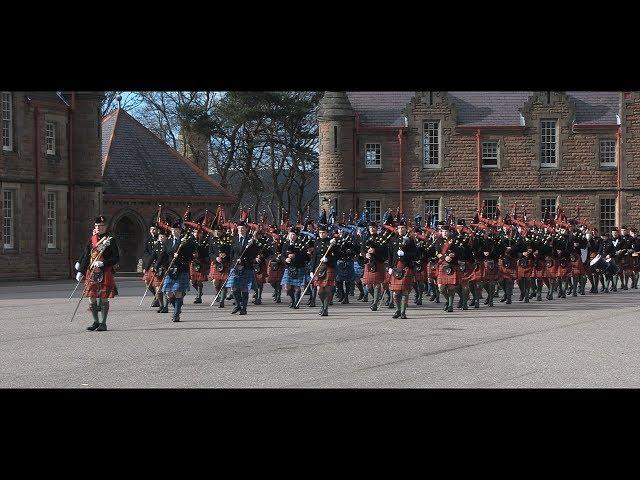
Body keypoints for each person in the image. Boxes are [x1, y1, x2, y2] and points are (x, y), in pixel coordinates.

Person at [75, 215, 120, 331]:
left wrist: (103, 264)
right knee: (91, 296)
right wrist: (80, 271)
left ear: (105, 227)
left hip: (104, 271)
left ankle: (103, 323)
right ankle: (95, 321)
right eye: (97, 226)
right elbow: (86, 256)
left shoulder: (110, 240)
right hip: (91, 271)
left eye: (101, 226)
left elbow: (116, 258)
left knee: (104, 298)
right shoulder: (92, 239)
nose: (99, 228)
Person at [162, 219, 197, 322]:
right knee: (168, 293)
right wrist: (158, 266)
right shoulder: (168, 241)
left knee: (178, 292)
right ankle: (178, 307)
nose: (174, 231)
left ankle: (176, 314)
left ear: (180, 230)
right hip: (170, 270)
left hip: (181, 269)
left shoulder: (187, 241)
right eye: (173, 229)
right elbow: (163, 255)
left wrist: (181, 254)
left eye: (176, 229)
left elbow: (191, 256)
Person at [227, 221, 259, 315]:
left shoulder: (251, 240)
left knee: (244, 288)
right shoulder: (234, 239)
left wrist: (243, 260)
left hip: (246, 267)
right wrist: (233, 263)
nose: (241, 230)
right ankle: (237, 305)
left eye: (243, 228)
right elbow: (231, 254)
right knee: (233, 287)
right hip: (235, 267)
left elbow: (254, 255)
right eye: (240, 228)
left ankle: (244, 308)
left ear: (246, 229)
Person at [388, 220, 417, 319]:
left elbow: (416, 255)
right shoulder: (392, 239)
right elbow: (390, 255)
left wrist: (405, 254)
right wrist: (390, 267)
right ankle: (398, 310)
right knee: (395, 292)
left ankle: (403, 312)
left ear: (406, 229)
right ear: (397, 229)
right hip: (396, 267)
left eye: (403, 228)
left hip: (406, 266)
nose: (401, 230)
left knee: (404, 291)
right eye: (399, 228)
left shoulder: (410, 240)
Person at [279, 227, 309, 309]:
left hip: (299, 267)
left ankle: (296, 302)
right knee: (287, 287)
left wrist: (295, 256)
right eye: (291, 234)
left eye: (294, 235)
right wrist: (286, 259)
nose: (292, 236)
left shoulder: (301, 244)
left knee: (297, 286)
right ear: (288, 235)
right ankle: (292, 300)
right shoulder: (286, 243)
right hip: (289, 267)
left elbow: (306, 256)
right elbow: (282, 255)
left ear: (296, 236)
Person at [312, 224, 338, 316]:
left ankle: (325, 308)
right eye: (320, 233)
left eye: (323, 232)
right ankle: (322, 305)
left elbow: (336, 256)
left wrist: (328, 259)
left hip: (328, 266)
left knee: (326, 289)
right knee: (319, 290)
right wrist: (312, 270)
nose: (321, 234)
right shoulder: (317, 242)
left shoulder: (331, 242)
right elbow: (314, 257)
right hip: (319, 267)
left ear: (327, 233)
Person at [190, 227, 211, 304]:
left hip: (201, 262)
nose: (197, 234)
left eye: (199, 233)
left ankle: (199, 297)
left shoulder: (205, 242)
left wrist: (200, 254)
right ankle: (200, 292)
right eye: (195, 233)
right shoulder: (190, 240)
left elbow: (207, 252)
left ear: (202, 234)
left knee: (199, 281)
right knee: (192, 282)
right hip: (193, 262)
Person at [142, 223, 160, 307]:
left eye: (154, 229)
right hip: (149, 264)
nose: (152, 231)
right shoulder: (148, 240)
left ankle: (157, 299)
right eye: (151, 229)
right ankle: (156, 296)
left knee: (157, 283)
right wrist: (146, 266)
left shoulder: (161, 239)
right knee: (147, 282)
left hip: (158, 264)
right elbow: (145, 253)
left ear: (157, 230)